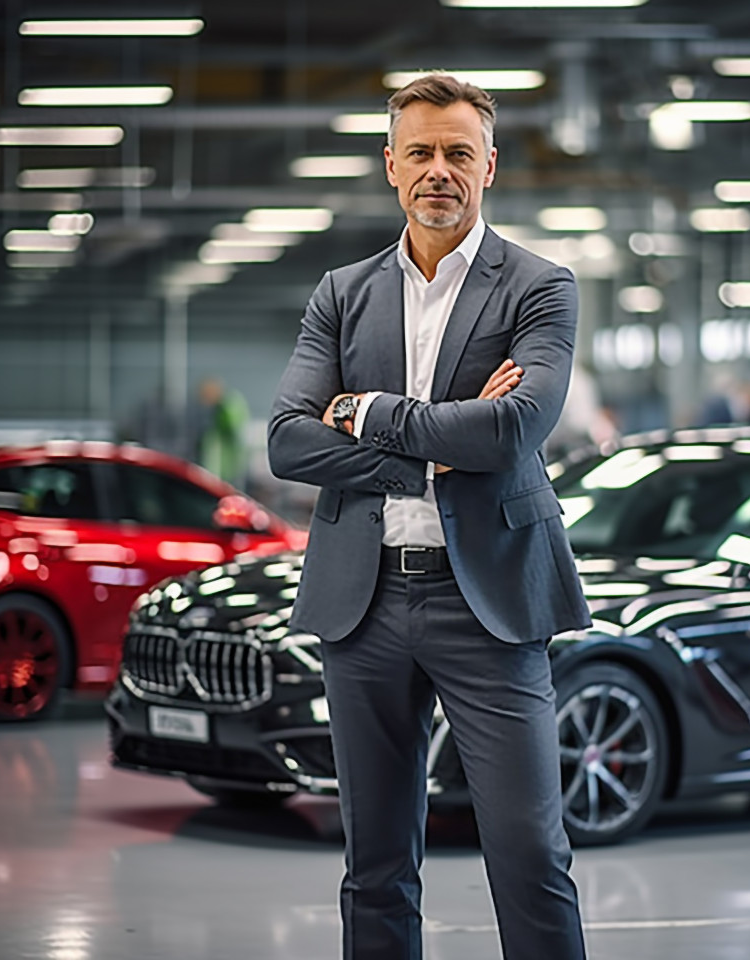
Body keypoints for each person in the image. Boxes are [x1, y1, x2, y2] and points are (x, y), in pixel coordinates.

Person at [268, 73, 591, 960]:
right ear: (390, 166)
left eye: (457, 152)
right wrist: (442, 446)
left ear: (489, 166)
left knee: (529, 855)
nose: (437, 170)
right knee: (374, 865)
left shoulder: (540, 286)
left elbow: (517, 426)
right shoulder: (342, 292)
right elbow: (288, 444)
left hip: (487, 603)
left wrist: (365, 412)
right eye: (420, 152)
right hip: (362, 604)